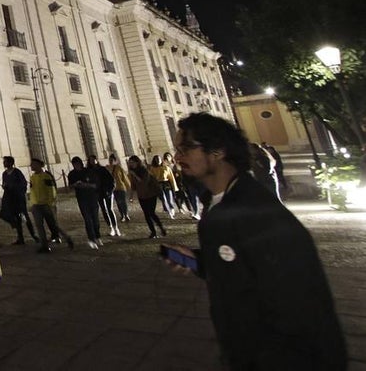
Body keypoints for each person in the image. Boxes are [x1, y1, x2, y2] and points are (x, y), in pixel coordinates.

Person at [163, 112, 346, 370]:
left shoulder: (258, 214)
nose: (177, 157)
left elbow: (300, 306)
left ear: (217, 151)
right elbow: (244, 264)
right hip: (245, 351)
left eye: (185, 148)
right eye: (176, 149)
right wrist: (201, 261)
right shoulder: (218, 202)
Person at [28, 158, 74, 253]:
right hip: (36, 205)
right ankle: (44, 246)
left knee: (53, 225)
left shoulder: (46, 176)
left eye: (33, 164)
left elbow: (51, 191)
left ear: (39, 165)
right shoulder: (32, 177)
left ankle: (67, 237)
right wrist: (31, 204)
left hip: (46, 205)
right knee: (39, 226)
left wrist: (50, 203)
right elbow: (32, 192)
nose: (31, 166)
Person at [0, 156, 37, 245]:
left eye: (5, 162)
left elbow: (23, 183)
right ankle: (20, 237)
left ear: (10, 163)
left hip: (18, 198)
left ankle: (33, 235)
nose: (4, 163)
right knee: (14, 217)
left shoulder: (17, 172)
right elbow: (4, 183)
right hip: (10, 198)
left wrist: (16, 188)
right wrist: (5, 186)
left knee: (24, 216)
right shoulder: (4, 174)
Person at [126, 154, 166, 238]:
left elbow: (143, 182)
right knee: (146, 214)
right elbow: (133, 185)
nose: (131, 164)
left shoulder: (144, 170)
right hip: (141, 196)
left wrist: (135, 175)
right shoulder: (132, 172)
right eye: (130, 163)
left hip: (150, 194)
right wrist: (131, 196)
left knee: (151, 213)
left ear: (137, 162)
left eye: (132, 162)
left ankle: (161, 228)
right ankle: (153, 232)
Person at [68, 156, 103, 249]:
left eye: (77, 164)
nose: (76, 166)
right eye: (74, 164)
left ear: (81, 163)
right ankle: (91, 239)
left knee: (95, 219)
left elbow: (96, 185)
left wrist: (86, 185)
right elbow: (70, 186)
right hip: (81, 199)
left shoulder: (89, 172)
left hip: (92, 197)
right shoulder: (72, 174)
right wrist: (75, 185)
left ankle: (98, 236)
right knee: (87, 220)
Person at [88, 155, 121, 238]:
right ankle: (111, 228)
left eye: (93, 159)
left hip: (107, 191)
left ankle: (116, 227)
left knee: (110, 209)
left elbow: (111, 180)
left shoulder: (102, 169)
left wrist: (110, 190)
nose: (92, 161)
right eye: (90, 160)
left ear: (96, 160)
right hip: (98, 193)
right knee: (104, 210)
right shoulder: (89, 171)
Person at [107, 154, 131, 223]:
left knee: (123, 202)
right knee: (118, 202)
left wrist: (129, 186)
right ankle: (122, 215)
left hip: (121, 187)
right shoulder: (108, 168)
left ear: (115, 161)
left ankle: (126, 214)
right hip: (113, 188)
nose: (111, 161)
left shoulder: (119, 168)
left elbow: (124, 177)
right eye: (110, 160)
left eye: (112, 160)